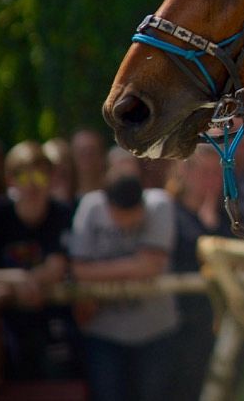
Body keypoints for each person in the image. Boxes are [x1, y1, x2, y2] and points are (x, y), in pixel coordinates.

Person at [0, 140, 80, 382]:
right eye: (22, 176)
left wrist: (1, 291)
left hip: (50, 327)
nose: (31, 185)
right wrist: (16, 281)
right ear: (10, 180)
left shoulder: (61, 213)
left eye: (39, 176)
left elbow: (56, 269)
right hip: (4, 333)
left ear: (51, 178)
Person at [70, 172, 179, 401]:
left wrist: (95, 273)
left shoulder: (158, 204)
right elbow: (78, 270)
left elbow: (151, 266)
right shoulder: (91, 207)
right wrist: (134, 266)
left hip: (155, 332)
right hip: (104, 335)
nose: (127, 222)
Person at [165, 148, 226, 401]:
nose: (211, 180)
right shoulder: (167, 212)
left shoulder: (228, 217)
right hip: (174, 323)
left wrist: (211, 223)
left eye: (217, 173)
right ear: (184, 171)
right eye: (205, 172)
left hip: (213, 323)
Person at [70, 127, 108, 197]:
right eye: (81, 151)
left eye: (91, 151)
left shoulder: (114, 195)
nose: (86, 155)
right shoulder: (64, 200)